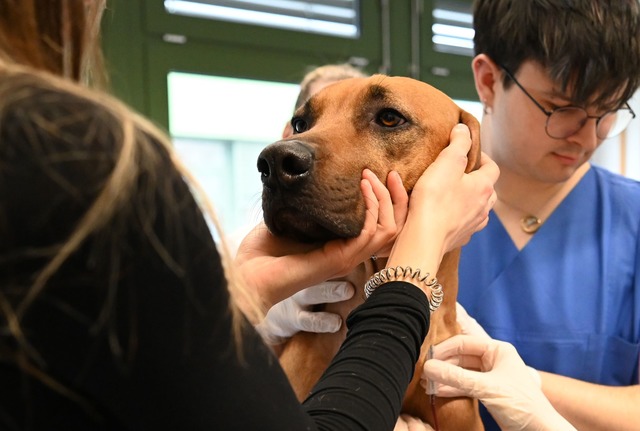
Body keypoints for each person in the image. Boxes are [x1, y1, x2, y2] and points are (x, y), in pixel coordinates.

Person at [0, 1, 499, 430]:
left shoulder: (461, 368)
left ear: (465, 171)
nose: (293, 148)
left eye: (388, 120)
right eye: (303, 123)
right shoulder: (73, 158)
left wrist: (244, 292)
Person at [450, 1, 640, 430]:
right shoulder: (419, 213)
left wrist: (521, 384)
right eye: (562, 108)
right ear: (488, 80)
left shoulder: (632, 222)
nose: (589, 137)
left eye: (609, 110)